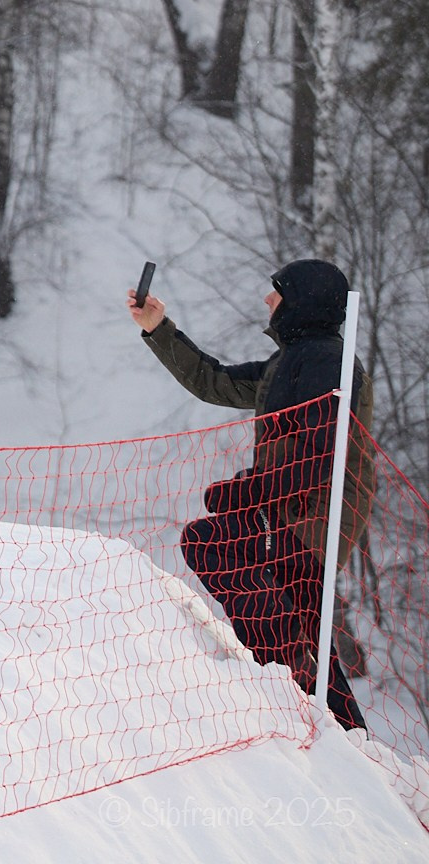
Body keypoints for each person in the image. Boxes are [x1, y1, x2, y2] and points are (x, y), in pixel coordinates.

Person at [129, 258, 374, 730]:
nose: (268, 301)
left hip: (316, 517)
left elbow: (318, 459)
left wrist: (245, 492)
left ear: (301, 301)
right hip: (288, 512)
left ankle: (283, 668)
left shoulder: (327, 362)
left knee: (210, 541)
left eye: (277, 292)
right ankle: (344, 728)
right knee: (304, 622)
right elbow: (215, 381)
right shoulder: (289, 362)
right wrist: (158, 327)